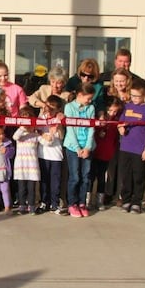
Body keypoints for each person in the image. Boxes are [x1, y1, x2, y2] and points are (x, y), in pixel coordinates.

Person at [117, 78, 145, 214]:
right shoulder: (127, 107)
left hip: (139, 149)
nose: (134, 98)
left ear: (144, 95)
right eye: (132, 95)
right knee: (125, 175)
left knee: (138, 176)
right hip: (125, 148)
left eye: (137, 96)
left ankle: (136, 201)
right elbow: (120, 123)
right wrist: (121, 129)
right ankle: (126, 200)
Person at [63, 83, 96, 217]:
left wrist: (87, 147)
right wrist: (77, 148)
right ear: (80, 95)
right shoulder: (69, 107)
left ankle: (82, 203)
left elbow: (91, 128)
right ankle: (72, 203)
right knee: (75, 177)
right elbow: (70, 129)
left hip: (87, 147)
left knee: (85, 177)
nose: (90, 101)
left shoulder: (91, 108)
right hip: (72, 147)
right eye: (88, 98)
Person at [91, 97, 123, 210]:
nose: (112, 113)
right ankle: (87, 199)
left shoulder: (116, 121)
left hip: (107, 154)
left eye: (115, 111)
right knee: (91, 177)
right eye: (110, 110)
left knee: (102, 177)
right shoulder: (100, 119)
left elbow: (116, 139)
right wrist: (99, 131)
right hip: (95, 152)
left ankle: (100, 200)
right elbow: (92, 132)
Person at [37, 95, 65, 214]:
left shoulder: (59, 119)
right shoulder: (41, 118)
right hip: (43, 153)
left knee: (55, 181)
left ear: (58, 109)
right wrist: (44, 136)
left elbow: (61, 136)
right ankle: (44, 202)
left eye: (52, 108)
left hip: (56, 154)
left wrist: (58, 126)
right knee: (44, 180)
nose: (49, 110)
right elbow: (37, 131)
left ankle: (55, 204)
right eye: (48, 106)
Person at [13, 105, 41, 215]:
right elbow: (15, 137)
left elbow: (46, 142)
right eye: (23, 118)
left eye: (28, 118)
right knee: (21, 187)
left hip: (32, 165)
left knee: (31, 187)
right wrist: (23, 127)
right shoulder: (19, 133)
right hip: (21, 165)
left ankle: (32, 205)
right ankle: (22, 206)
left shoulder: (35, 134)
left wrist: (50, 134)